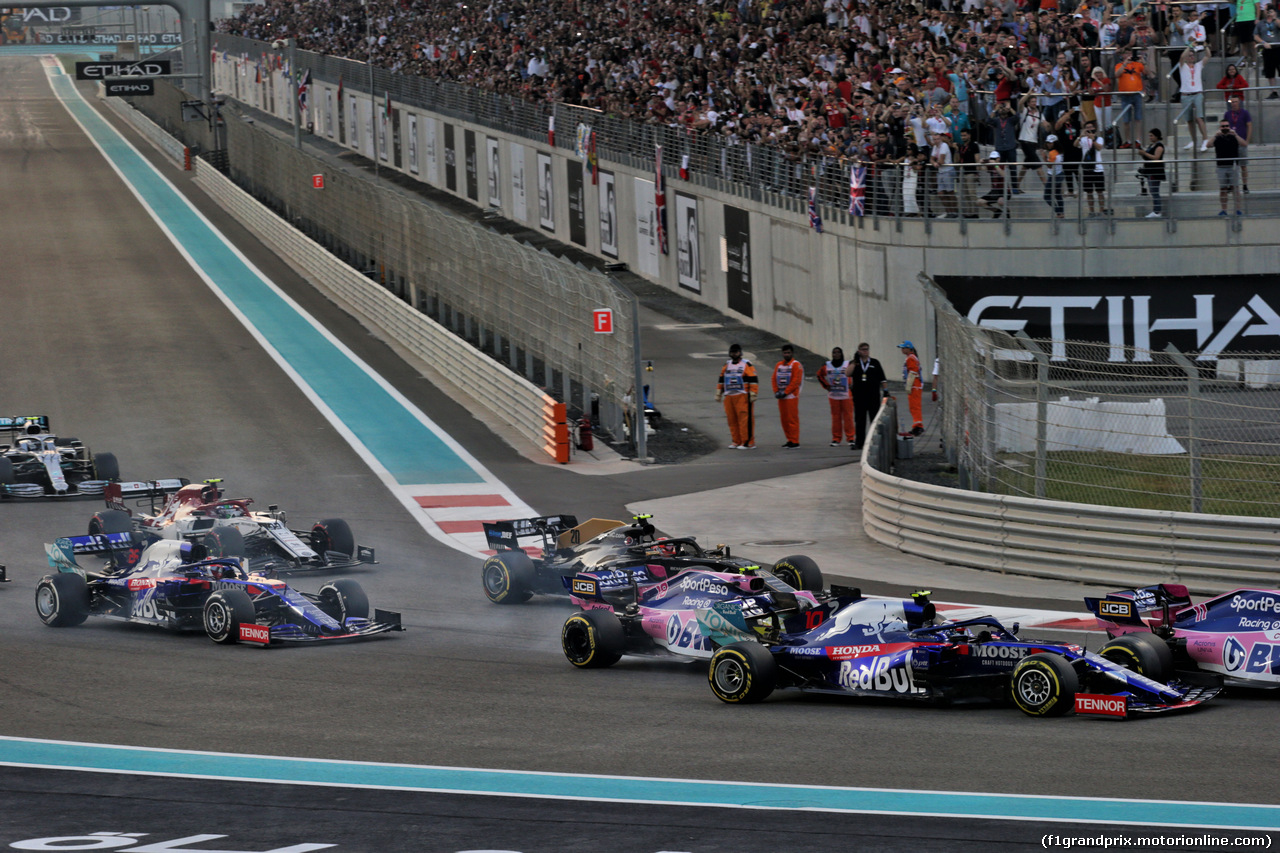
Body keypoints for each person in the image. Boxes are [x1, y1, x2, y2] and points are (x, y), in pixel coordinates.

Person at [843, 342, 888, 452]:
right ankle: (859, 442)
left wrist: (885, 391)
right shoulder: (855, 363)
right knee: (860, 420)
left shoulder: (874, 363)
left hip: (873, 396)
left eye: (867, 349)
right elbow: (847, 374)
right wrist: (854, 361)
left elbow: (882, 378)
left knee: (874, 419)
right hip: (859, 397)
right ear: (859, 351)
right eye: (863, 349)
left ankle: (875, 441)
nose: (865, 351)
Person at [716, 343, 757, 449]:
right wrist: (718, 392)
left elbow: (753, 379)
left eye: (736, 352)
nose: (734, 354)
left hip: (742, 395)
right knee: (732, 419)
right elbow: (721, 379)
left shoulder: (746, 364)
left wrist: (753, 393)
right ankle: (736, 441)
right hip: (729, 396)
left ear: (740, 353)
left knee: (744, 420)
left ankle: (748, 442)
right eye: (732, 352)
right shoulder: (727, 364)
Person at [816, 346, 855, 446]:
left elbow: (856, 373)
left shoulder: (847, 364)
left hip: (846, 395)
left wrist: (853, 385)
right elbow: (819, 375)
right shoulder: (827, 365)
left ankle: (850, 438)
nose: (836, 354)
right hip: (834, 395)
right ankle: (836, 438)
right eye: (834, 352)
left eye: (838, 352)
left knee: (848, 417)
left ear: (841, 354)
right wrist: (826, 386)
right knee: (836, 417)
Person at [1176, 44, 1211, 153]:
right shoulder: (1182, 66)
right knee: (1190, 120)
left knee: (1199, 118)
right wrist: (1190, 46)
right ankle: (1194, 140)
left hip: (1197, 94)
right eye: (1189, 55)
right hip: (1186, 95)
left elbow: (1208, 55)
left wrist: (1205, 45)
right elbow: (1182, 57)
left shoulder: (1198, 65)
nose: (1191, 57)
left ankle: (1205, 139)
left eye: (1193, 55)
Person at [772, 344, 803, 448]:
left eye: (788, 353)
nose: (786, 354)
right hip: (781, 397)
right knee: (784, 419)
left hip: (791, 397)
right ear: (782, 353)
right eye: (785, 353)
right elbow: (774, 379)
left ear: (792, 353)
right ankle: (789, 439)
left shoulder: (796, 364)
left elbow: (796, 381)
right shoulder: (778, 365)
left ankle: (795, 441)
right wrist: (776, 391)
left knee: (792, 419)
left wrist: (786, 392)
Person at [1211, 119, 1244, 216]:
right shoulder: (1217, 137)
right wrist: (1215, 135)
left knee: (1235, 188)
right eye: (1223, 126)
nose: (1225, 128)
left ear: (1229, 126)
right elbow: (1208, 145)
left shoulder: (1233, 137)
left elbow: (1244, 144)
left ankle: (1238, 209)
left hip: (1233, 166)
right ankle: (1224, 210)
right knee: (1223, 189)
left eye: (1226, 126)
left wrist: (1235, 134)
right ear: (1220, 127)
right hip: (1221, 166)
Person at [1078, 120, 1109, 215]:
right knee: (1089, 192)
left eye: (1091, 127)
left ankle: (1101, 210)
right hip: (1087, 168)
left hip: (1098, 168)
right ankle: (1091, 211)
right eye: (1087, 127)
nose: (1089, 129)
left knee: (1100, 191)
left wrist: (1093, 139)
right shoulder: (1083, 139)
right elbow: (1075, 145)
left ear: (1094, 128)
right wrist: (1080, 136)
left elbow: (1099, 147)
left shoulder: (1099, 138)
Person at [1222, 97, 1253, 193]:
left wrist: (1247, 140)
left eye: (1235, 102)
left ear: (1239, 102)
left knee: (1243, 165)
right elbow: (1224, 127)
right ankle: (1230, 185)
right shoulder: (1227, 114)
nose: (1234, 104)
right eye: (1232, 102)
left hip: (1241, 142)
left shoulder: (1245, 113)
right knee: (1229, 165)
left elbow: (1249, 126)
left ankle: (1245, 185)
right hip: (1230, 143)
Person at [1136, 127, 1166, 218]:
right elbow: (1148, 157)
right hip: (1150, 171)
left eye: (1152, 136)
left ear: (1157, 136)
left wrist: (1144, 153)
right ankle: (1156, 210)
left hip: (1155, 172)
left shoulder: (1159, 146)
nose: (1150, 137)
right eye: (1149, 136)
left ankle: (1157, 211)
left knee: (1155, 191)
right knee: (1153, 191)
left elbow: (1156, 157)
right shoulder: (1151, 146)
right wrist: (1142, 153)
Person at [899, 341, 924, 436]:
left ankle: (918, 426)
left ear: (909, 348)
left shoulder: (910, 358)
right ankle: (916, 425)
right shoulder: (912, 357)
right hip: (915, 384)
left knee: (915, 406)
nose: (902, 350)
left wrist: (909, 385)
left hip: (914, 385)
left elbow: (913, 372)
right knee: (914, 406)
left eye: (903, 348)